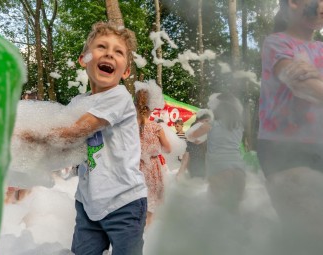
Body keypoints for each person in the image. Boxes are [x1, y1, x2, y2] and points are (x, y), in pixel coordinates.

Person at [20, 21, 147, 255]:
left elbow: (72, 133)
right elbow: (65, 146)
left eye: (118, 52)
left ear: (126, 71)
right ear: (84, 59)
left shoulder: (119, 97)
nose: (109, 53)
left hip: (124, 201)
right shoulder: (79, 103)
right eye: (101, 47)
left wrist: (28, 132)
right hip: (88, 203)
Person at [258, 0, 323, 252]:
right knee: (309, 233)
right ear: (294, 2)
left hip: (318, 147)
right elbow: (301, 85)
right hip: (283, 148)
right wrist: (312, 81)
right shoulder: (277, 42)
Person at [188, 92, 245, 213]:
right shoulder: (239, 126)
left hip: (219, 167)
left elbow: (192, 135)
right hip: (239, 168)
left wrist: (201, 127)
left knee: (218, 210)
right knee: (235, 210)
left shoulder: (212, 125)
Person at [135, 89, 171, 227]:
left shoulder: (129, 126)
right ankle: (148, 234)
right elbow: (168, 149)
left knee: (136, 201)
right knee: (151, 206)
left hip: (134, 167)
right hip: (152, 169)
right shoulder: (156, 127)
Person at [176, 109, 213, 179]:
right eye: (206, 121)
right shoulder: (190, 142)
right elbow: (185, 160)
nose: (206, 125)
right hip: (195, 176)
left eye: (208, 122)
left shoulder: (209, 140)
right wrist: (179, 175)